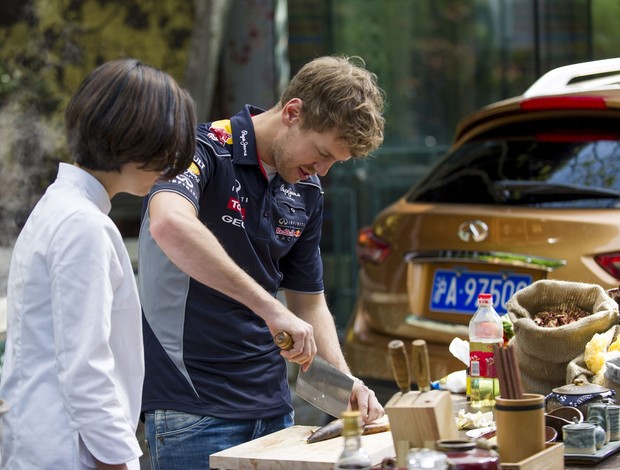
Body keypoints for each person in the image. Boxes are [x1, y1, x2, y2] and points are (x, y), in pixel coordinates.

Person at [138, 55, 386, 469]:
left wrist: (346, 384)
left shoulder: (307, 191)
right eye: (321, 153)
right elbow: (168, 224)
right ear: (292, 112)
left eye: (333, 164)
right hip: (194, 411)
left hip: (274, 408)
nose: (321, 171)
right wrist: (271, 308)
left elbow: (308, 301)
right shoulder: (201, 149)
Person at [0, 59, 196, 470]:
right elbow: (86, 369)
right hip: (68, 450)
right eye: (164, 145)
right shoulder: (83, 225)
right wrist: (119, 462)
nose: (169, 163)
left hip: (45, 440)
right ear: (131, 139)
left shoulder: (61, 207)